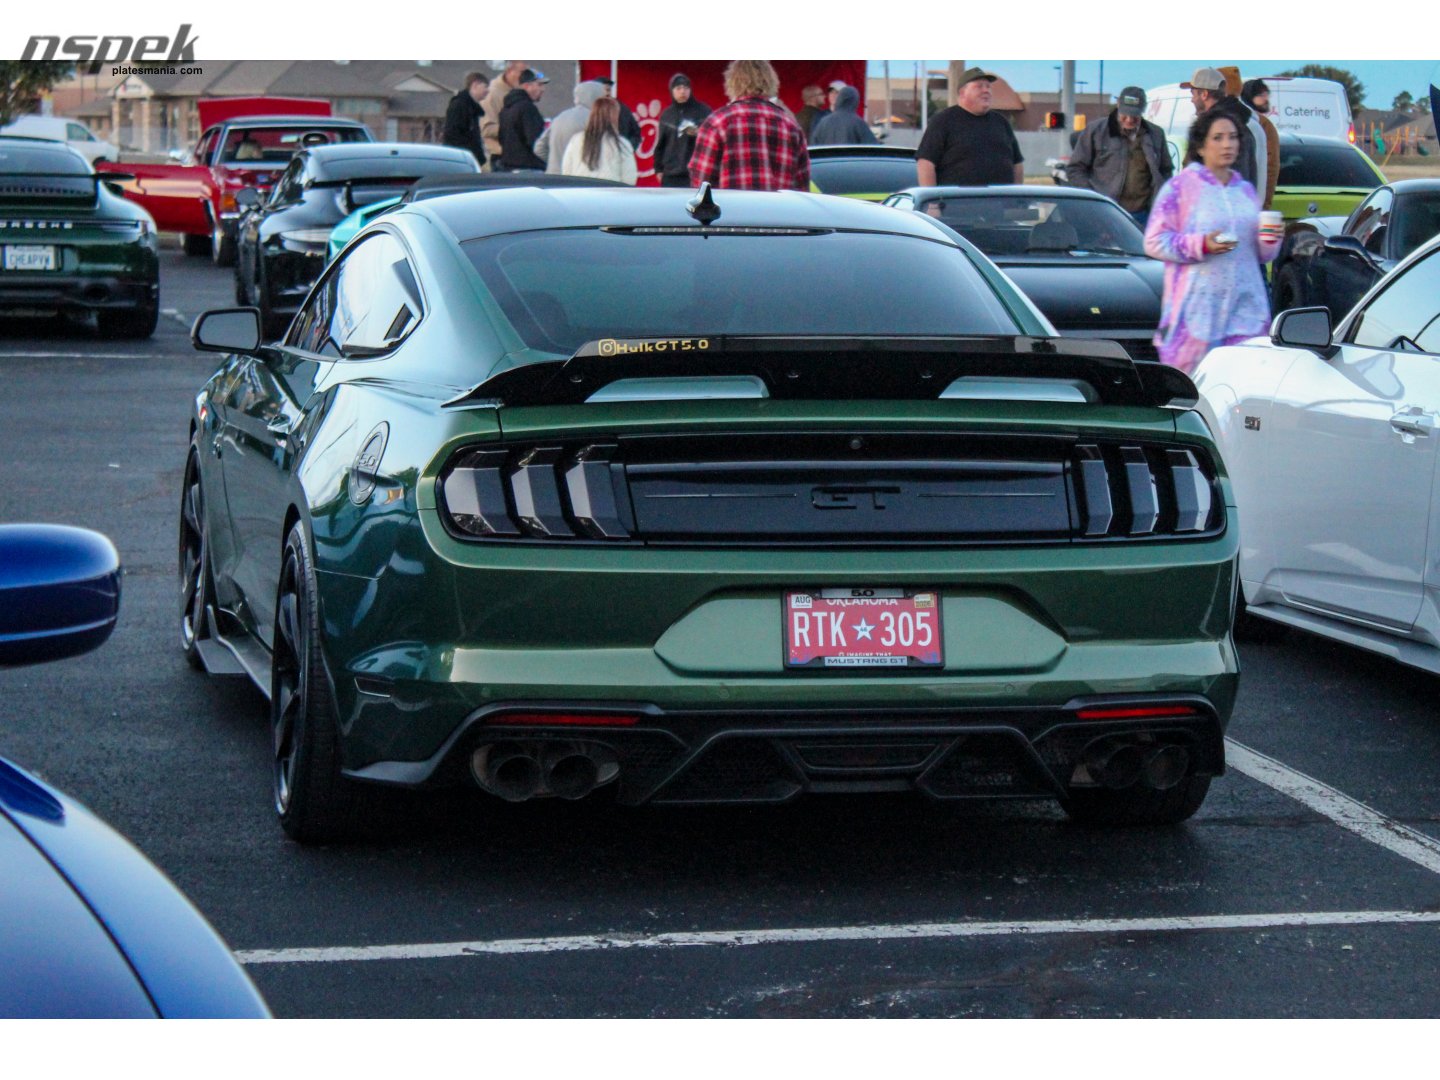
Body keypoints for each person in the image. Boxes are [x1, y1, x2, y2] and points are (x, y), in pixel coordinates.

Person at [1143, 109, 1281, 373]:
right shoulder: (1181, 187)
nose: (1227, 144)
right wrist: (1200, 244)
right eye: (1218, 138)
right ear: (1201, 146)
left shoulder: (1245, 191)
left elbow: (1260, 254)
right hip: (1196, 318)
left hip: (1247, 315)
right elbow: (1154, 241)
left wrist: (1270, 240)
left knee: (1245, 387)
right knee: (1196, 390)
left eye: (1233, 137)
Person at [688, 60, 810, 192]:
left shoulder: (717, 122)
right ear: (771, 81)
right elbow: (802, 187)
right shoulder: (791, 126)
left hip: (730, 205)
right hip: (778, 205)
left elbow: (701, 183)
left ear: (732, 82)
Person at [1065, 86, 1173, 227]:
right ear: (1118, 105)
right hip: (1104, 213)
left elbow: (1166, 171)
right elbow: (1075, 169)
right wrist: (1093, 198)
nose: (1129, 119)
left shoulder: (1156, 134)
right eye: (1125, 114)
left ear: (1143, 111)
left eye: (1135, 115)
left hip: (1144, 215)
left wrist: (1160, 200)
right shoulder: (1095, 131)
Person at [916, 67, 1023, 187]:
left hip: (1001, 198)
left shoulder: (1001, 122)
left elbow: (1017, 163)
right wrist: (932, 197)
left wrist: (1017, 195)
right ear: (963, 93)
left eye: (988, 87)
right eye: (979, 86)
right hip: (958, 198)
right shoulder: (943, 121)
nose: (986, 90)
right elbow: (926, 163)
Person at [1182, 67, 1265, 195]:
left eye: (1193, 94)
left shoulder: (1225, 128)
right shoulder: (1244, 122)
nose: (1192, 100)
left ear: (1204, 94)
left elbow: (1235, 179)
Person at [535, 80, 607, 175]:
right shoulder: (594, 119)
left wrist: (555, 162)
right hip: (579, 177)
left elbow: (539, 148)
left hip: (554, 175)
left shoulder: (560, 117)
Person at [652, 73, 712, 187]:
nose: (682, 91)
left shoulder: (703, 111)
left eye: (686, 88)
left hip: (696, 172)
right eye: (678, 88)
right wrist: (658, 168)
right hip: (671, 173)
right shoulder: (667, 115)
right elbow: (661, 144)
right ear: (672, 91)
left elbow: (712, 138)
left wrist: (698, 133)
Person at [561, 97, 637, 184]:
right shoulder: (622, 144)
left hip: (580, 190)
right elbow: (629, 179)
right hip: (609, 190)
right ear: (614, 116)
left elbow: (566, 171)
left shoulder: (576, 140)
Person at [1240, 75, 1281, 210]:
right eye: (1261, 95)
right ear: (1249, 97)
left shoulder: (1264, 124)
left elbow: (1271, 165)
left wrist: (1266, 202)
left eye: (1266, 94)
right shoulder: (1258, 123)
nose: (1266, 98)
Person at [497, 68, 549, 172]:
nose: (543, 89)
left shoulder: (506, 108)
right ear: (526, 86)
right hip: (529, 168)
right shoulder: (527, 108)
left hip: (508, 168)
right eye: (539, 85)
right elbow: (536, 142)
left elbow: (501, 138)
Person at [481, 62, 528, 166]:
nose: (525, 76)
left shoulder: (519, 92)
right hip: (500, 157)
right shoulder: (492, 94)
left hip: (518, 155)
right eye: (522, 72)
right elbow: (486, 129)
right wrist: (515, 129)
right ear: (509, 71)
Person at [442, 70, 489, 167]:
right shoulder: (459, 105)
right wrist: (467, 155)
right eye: (485, 87)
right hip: (459, 160)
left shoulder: (472, 108)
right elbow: (452, 134)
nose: (487, 91)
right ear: (475, 85)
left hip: (469, 159)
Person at [809, 84, 877, 146]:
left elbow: (813, 145)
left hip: (827, 156)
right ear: (856, 101)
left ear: (839, 98)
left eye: (836, 93)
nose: (833, 95)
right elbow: (872, 147)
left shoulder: (823, 122)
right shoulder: (858, 123)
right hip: (850, 156)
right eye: (831, 92)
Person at [593, 77, 644, 151]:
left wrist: (627, 149)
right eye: (603, 90)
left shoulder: (622, 108)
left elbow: (635, 132)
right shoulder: (589, 109)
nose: (606, 93)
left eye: (608, 90)